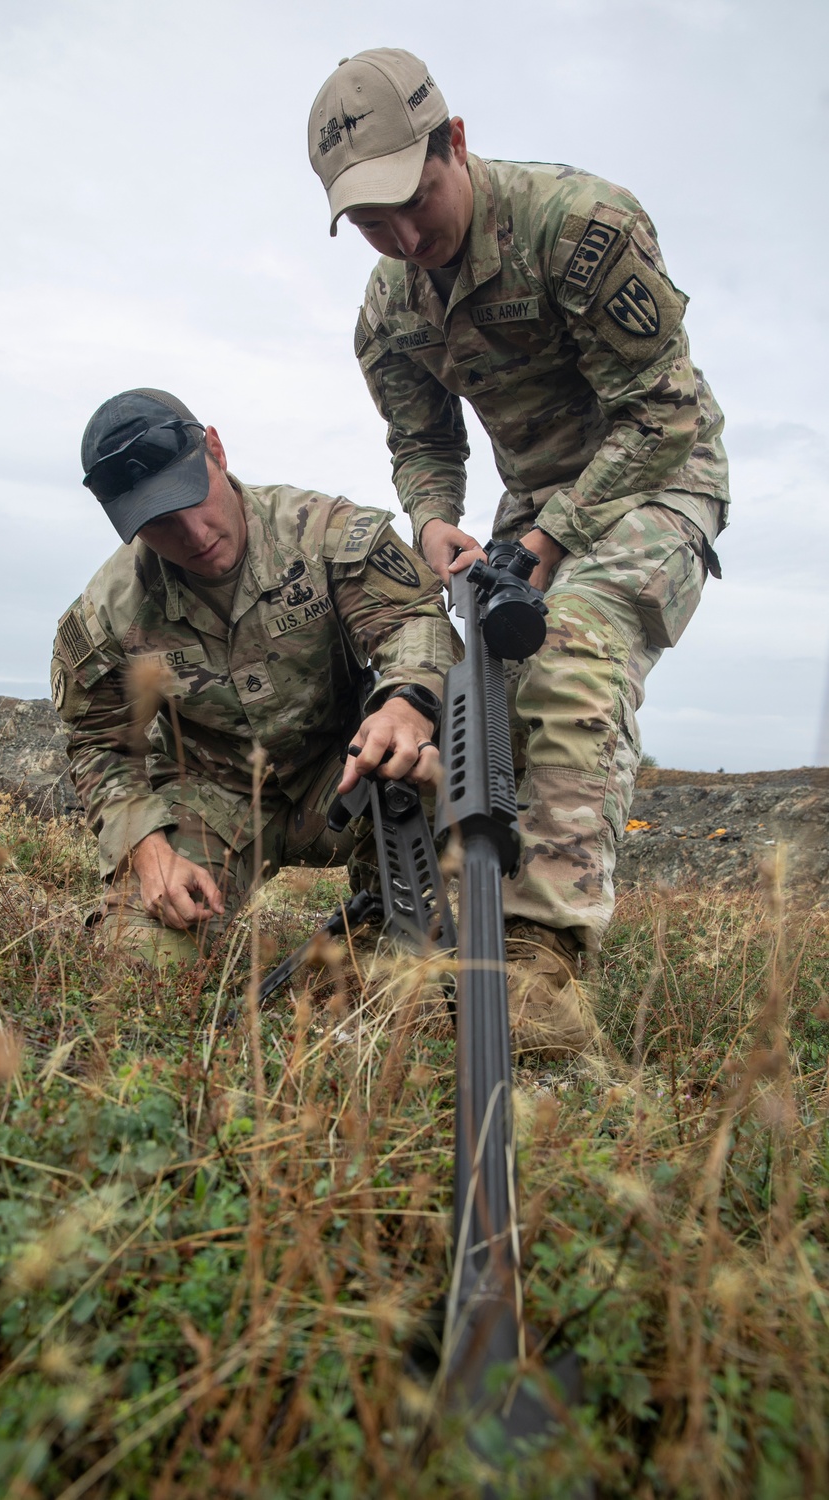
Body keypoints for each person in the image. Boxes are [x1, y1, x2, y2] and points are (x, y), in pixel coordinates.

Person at [308, 48, 729, 1051]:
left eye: (416, 198)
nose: (405, 235)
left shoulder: (579, 226)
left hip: (659, 481)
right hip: (529, 508)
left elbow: (661, 414)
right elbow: (421, 441)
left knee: (573, 642)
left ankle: (539, 965)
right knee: (464, 690)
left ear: (454, 143)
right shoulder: (388, 310)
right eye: (372, 221)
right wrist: (432, 520)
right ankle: (435, 921)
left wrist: (547, 537)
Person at [51, 386, 460, 966]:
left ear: (216, 451)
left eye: (193, 497)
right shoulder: (106, 614)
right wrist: (143, 848)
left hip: (348, 773)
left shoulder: (324, 533)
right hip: (213, 796)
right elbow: (99, 743)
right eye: (161, 522)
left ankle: (388, 917)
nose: (194, 535)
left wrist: (405, 704)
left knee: (446, 743)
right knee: (137, 961)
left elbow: (412, 621)